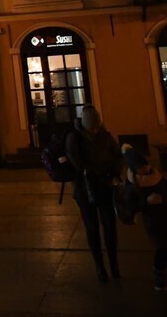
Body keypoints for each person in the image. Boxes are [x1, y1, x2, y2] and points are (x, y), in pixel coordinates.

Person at [64, 104, 122, 282]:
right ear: (85, 125)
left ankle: (114, 265)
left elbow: (117, 155)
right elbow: (76, 161)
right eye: (92, 127)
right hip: (84, 190)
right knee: (92, 228)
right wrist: (94, 170)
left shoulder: (105, 135)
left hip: (105, 187)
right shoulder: (74, 138)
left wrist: (114, 171)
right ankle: (99, 266)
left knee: (110, 226)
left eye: (97, 126)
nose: (95, 130)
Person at [121, 144, 167, 290]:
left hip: (164, 214)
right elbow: (131, 207)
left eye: (146, 165)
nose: (146, 169)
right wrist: (146, 202)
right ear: (135, 169)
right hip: (153, 222)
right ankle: (159, 277)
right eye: (142, 167)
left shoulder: (154, 174)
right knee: (162, 248)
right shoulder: (132, 185)